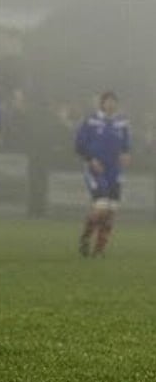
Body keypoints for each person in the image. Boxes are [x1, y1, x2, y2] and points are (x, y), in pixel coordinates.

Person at [75, 91, 131, 258]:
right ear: (102, 103)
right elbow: (79, 145)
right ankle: (85, 238)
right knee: (101, 208)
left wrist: (126, 154)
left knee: (112, 211)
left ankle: (99, 250)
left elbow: (126, 145)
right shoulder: (91, 121)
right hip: (96, 168)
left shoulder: (122, 123)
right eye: (107, 101)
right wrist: (91, 159)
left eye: (114, 101)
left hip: (115, 170)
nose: (110, 104)